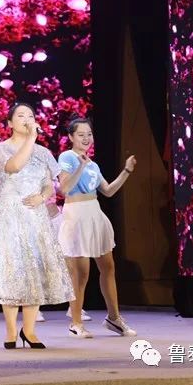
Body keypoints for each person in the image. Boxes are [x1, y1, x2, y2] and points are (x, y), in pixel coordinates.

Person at [0, 103, 74, 349]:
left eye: (31, 116)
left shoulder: (43, 153)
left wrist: (42, 197)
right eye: (21, 116)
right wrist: (31, 139)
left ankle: (30, 330)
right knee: (11, 269)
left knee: (35, 269)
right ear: (10, 123)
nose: (27, 119)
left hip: (34, 215)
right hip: (9, 215)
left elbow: (49, 184)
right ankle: (11, 331)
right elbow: (13, 167)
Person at [57, 115, 137, 338]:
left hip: (95, 213)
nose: (86, 138)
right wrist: (80, 166)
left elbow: (108, 191)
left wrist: (126, 171)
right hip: (76, 215)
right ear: (71, 137)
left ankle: (114, 318)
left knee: (108, 267)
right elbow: (64, 188)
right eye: (81, 134)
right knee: (80, 273)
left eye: (89, 134)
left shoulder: (93, 164)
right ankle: (75, 323)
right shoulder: (67, 157)